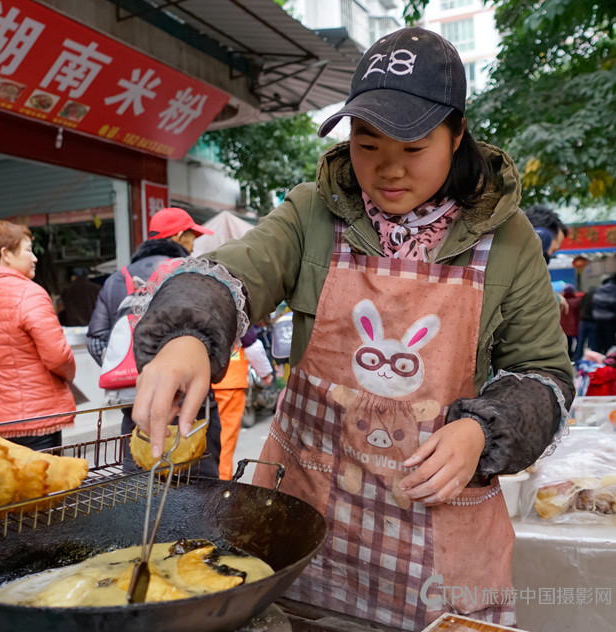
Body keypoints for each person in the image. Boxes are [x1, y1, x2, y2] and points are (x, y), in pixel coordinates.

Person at [128, 27, 574, 630]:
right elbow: (232, 273)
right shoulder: (313, 210)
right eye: (367, 143)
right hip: (307, 526)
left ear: (458, 134)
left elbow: (542, 374)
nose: (387, 170)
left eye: (413, 148)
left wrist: (481, 432)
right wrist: (186, 332)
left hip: (435, 541)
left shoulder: (509, 238)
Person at [86, 206, 224, 477]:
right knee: (197, 485)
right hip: (190, 401)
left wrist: (134, 370)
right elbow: (213, 333)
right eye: (192, 237)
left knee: (139, 480)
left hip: (137, 401)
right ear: (181, 236)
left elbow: (95, 338)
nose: (193, 244)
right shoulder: (192, 273)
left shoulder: (117, 279)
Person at [0, 221, 76, 450]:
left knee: (9, 482)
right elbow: (59, 357)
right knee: (45, 483)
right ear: (6, 255)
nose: (35, 258)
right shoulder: (29, 293)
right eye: (28, 249)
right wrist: (70, 374)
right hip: (37, 415)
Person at [212, 325, 274, 479]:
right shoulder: (235, 311)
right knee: (225, 438)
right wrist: (265, 373)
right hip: (229, 383)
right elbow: (252, 345)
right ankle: (221, 481)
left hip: (199, 383)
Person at [592, 275, 616, 354]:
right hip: (610, 319)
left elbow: (594, 302)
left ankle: (602, 357)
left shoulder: (599, 289)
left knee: (600, 340)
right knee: (610, 340)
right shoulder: (613, 289)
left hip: (598, 319)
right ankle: (609, 358)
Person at [558, 284, 582, 357]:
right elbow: (579, 314)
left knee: (567, 342)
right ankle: (575, 356)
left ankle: (568, 355)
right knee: (578, 342)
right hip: (574, 325)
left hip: (563, 326)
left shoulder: (560, 301)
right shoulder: (577, 301)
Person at [575, 285, 597, 360]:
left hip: (583, 320)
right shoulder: (596, 297)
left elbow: (580, 305)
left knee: (580, 340)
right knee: (592, 341)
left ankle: (577, 357)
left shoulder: (585, 296)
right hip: (592, 321)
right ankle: (592, 358)